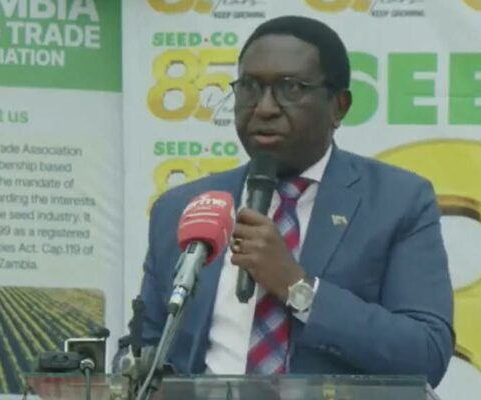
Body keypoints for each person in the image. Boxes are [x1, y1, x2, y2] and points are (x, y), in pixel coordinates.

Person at [139, 15, 455, 388]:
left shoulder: (397, 202)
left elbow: (426, 353)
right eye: (250, 88)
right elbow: (145, 349)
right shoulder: (183, 208)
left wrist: (296, 286)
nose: (264, 108)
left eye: (290, 88)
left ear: (339, 106)